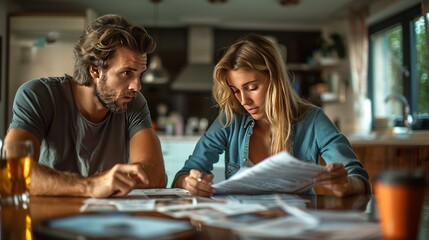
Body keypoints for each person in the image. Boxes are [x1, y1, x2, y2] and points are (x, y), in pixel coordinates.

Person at [172, 34, 370, 197]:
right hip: (241, 227)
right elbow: (183, 175)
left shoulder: (314, 121)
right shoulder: (230, 120)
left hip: (297, 227)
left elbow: (358, 178)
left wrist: (346, 185)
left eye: (251, 88)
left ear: (275, 79)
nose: (243, 100)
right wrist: (190, 183)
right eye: (235, 90)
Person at [5, 14, 166, 198]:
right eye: (127, 73)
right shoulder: (39, 95)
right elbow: (14, 170)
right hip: (49, 215)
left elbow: (156, 176)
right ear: (95, 69)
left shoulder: (134, 102)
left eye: (139, 74)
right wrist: (90, 186)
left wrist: (106, 182)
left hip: (107, 218)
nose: (137, 86)